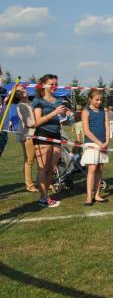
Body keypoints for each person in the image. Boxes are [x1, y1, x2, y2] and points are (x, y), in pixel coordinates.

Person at [32, 74, 70, 208]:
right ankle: (43, 198)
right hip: (43, 135)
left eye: (56, 84)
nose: (54, 86)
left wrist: (66, 115)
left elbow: (63, 121)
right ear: (43, 85)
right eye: (51, 84)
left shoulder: (58, 101)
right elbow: (37, 122)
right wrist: (54, 113)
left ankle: (46, 196)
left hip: (56, 136)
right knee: (43, 168)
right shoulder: (38, 101)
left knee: (52, 168)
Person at [81, 89, 110, 205]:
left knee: (100, 169)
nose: (99, 102)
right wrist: (99, 143)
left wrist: (107, 141)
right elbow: (86, 131)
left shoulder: (104, 111)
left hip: (103, 143)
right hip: (91, 143)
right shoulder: (86, 111)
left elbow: (107, 126)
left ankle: (97, 194)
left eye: (101, 100)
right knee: (92, 169)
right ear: (90, 99)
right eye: (96, 100)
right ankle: (89, 196)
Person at [15, 86, 38, 192]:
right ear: (17, 95)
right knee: (29, 160)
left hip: (36, 134)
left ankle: (43, 182)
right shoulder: (21, 106)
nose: (23, 91)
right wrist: (42, 121)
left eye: (23, 89)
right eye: (19, 91)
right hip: (28, 136)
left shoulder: (31, 104)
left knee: (39, 160)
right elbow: (29, 123)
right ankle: (29, 185)